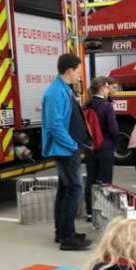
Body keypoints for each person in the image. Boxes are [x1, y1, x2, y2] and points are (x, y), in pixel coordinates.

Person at [42, 53, 92, 251]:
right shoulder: (56, 92)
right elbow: (55, 125)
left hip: (66, 148)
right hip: (64, 149)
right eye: (78, 70)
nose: (79, 74)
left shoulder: (63, 89)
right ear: (70, 70)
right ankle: (68, 237)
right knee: (74, 189)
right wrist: (72, 145)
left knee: (66, 189)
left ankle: (62, 232)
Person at [84, 76, 120, 221]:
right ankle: (103, 211)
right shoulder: (106, 106)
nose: (108, 90)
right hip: (105, 147)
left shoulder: (85, 106)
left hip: (90, 148)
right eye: (107, 87)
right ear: (102, 87)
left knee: (91, 180)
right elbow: (113, 129)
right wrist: (115, 141)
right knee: (105, 182)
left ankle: (89, 212)